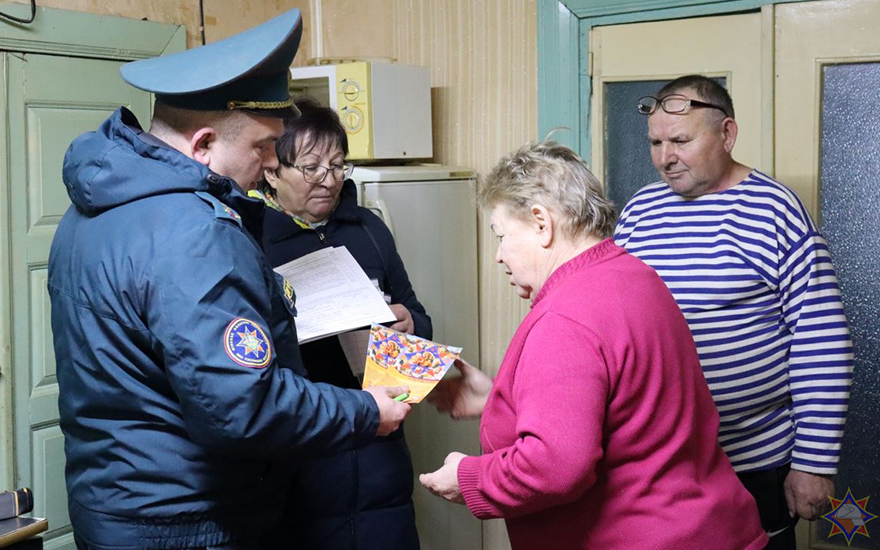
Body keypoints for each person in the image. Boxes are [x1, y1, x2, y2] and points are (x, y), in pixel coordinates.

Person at [48, 10, 411, 550]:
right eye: (262, 147)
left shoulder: (96, 207)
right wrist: (366, 412)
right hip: (185, 521)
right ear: (202, 144)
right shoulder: (197, 231)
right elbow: (244, 406)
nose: (270, 164)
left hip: (117, 503)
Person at [419, 140, 768, 550]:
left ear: (541, 223)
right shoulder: (634, 275)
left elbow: (555, 467)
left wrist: (468, 478)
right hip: (713, 527)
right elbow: (626, 408)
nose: (499, 256)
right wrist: (501, 399)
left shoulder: (564, 317)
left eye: (502, 235)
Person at [614, 74, 854, 549]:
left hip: (755, 462)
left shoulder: (774, 209)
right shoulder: (640, 210)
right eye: (656, 143)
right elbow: (614, 315)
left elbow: (821, 341)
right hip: (659, 463)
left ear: (726, 134)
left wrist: (813, 462)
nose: (665, 157)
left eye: (681, 141)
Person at [254, 100, 427, 549]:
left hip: (381, 458)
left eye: (336, 166)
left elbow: (418, 317)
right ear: (272, 172)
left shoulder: (369, 229)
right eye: (311, 168)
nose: (328, 180)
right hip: (302, 465)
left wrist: (411, 324)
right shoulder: (252, 241)